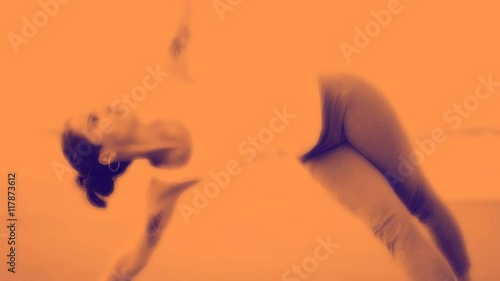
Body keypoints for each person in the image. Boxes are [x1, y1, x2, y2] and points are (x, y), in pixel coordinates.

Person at [60, 2, 471, 281]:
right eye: (94, 121)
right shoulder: (163, 189)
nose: (104, 107)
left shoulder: (167, 78)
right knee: (391, 228)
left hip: (340, 101)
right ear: (108, 154)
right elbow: (133, 257)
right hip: (316, 153)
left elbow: (183, 18)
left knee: (420, 203)